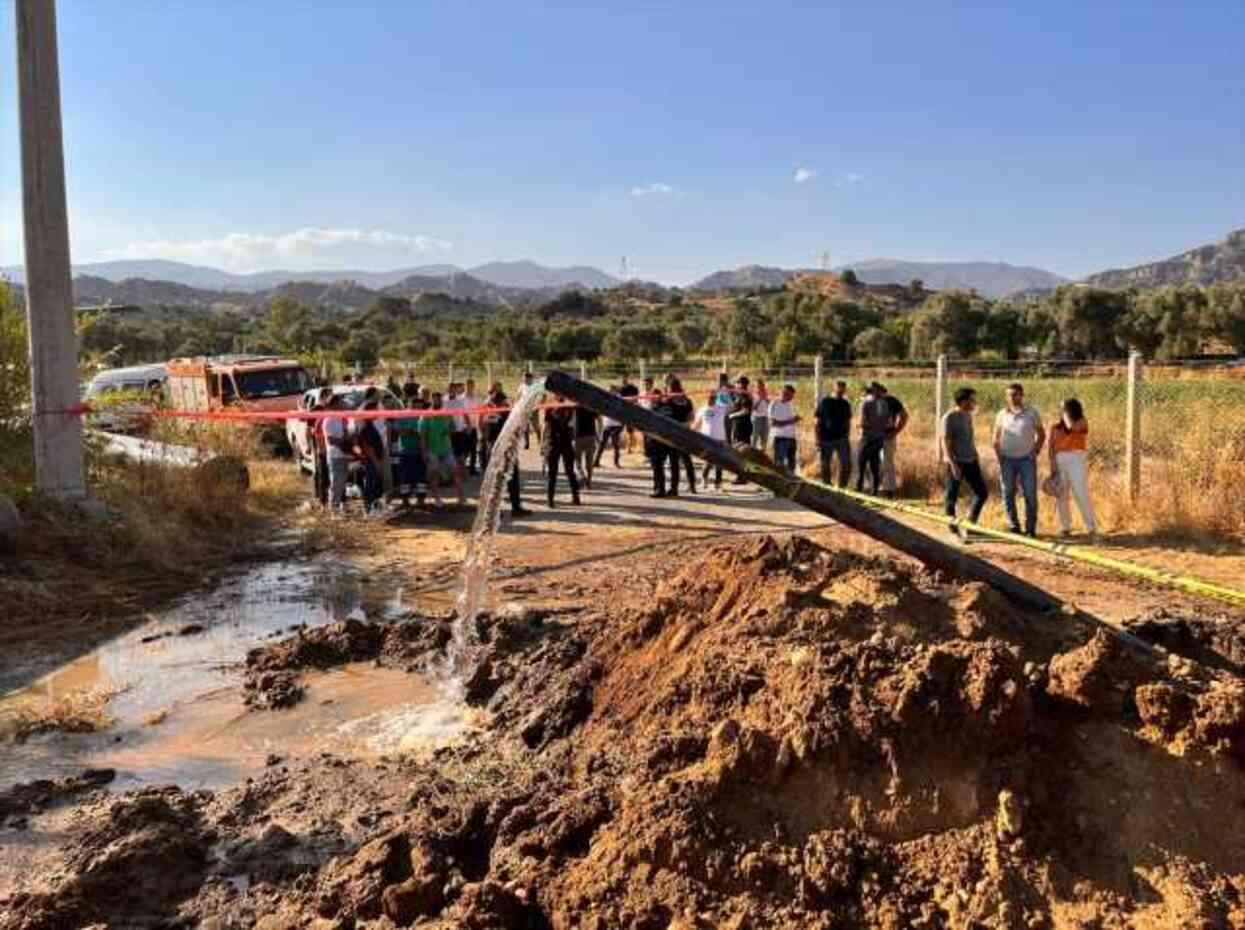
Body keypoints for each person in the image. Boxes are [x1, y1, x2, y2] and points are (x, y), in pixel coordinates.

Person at [993, 382, 1045, 536]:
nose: (1012, 397)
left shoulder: (1032, 413)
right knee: (1008, 492)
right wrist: (999, 457)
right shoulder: (1001, 414)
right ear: (1006, 397)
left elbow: (1041, 435)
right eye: (1009, 395)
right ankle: (1013, 525)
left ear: (1022, 395)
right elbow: (995, 438)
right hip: (1007, 460)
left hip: (1026, 460)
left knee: (1030, 493)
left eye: (1015, 394)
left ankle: (1030, 528)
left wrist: (1035, 451)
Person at [1049, 398, 1097, 541]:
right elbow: (1051, 448)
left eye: (1064, 409)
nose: (1061, 411)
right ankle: (1065, 527)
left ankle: (1091, 527)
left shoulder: (1081, 422)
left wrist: (1066, 414)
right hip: (1059, 460)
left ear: (1072, 410)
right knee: (1062, 494)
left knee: (1080, 493)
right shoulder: (1055, 428)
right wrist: (1052, 465)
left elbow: (1071, 427)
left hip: (1076, 458)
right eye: (1061, 409)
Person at [942, 387, 988, 537]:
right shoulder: (949, 417)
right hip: (956, 462)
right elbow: (946, 442)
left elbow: (969, 438)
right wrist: (953, 464)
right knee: (951, 495)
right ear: (963, 401)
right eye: (972, 400)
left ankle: (970, 524)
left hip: (970, 459)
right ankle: (953, 528)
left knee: (981, 492)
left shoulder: (968, 416)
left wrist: (975, 454)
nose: (974, 403)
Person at [420, 391, 464, 507]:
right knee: (434, 475)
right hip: (433, 450)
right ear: (431, 400)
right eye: (435, 399)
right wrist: (424, 452)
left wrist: (448, 431)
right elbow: (423, 436)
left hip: (447, 449)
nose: (437, 401)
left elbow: (453, 428)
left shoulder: (446, 413)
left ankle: (460, 497)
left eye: (439, 399)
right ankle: (437, 499)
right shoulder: (426, 416)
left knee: (455, 471)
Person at [542, 395, 580, 507]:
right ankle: (576, 497)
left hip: (553, 442)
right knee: (570, 472)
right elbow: (573, 425)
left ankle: (550, 501)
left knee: (552, 474)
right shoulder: (569, 407)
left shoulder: (550, 406)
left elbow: (545, 426)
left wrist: (543, 444)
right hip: (565, 442)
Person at [815, 380, 852, 487]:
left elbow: (848, 421)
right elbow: (817, 421)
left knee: (846, 464)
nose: (841, 390)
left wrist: (847, 434)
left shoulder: (845, 404)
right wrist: (817, 438)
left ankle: (842, 486)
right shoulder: (825, 402)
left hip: (842, 438)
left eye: (843, 388)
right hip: (826, 438)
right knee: (825, 463)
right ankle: (826, 485)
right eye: (839, 387)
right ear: (834, 388)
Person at [354, 400, 387, 516]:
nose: (377, 412)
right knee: (371, 485)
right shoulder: (366, 428)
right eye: (375, 410)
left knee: (376, 485)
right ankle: (368, 510)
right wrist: (376, 462)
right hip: (371, 461)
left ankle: (374, 509)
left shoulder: (371, 426)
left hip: (375, 460)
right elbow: (368, 448)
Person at [664, 376, 697, 494]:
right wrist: (686, 425)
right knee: (687, 460)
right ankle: (692, 485)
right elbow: (692, 417)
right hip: (685, 432)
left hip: (674, 433)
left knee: (674, 462)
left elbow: (665, 417)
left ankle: (674, 488)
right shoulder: (687, 400)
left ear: (670, 388)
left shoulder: (668, 401)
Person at [856, 383, 890, 494]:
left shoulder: (865, 403)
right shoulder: (884, 404)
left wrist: (860, 426)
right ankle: (874, 490)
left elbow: (863, 421)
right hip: (879, 437)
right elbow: (887, 423)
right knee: (875, 465)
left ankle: (859, 490)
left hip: (867, 437)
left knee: (861, 464)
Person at [877, 385, 909, 497]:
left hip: (887, 436)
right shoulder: (871, 401)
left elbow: (904, 416)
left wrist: (895, 431)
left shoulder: (891, 401)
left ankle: (888, 490)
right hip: (874, 436)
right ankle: (879, 488)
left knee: (886, 462)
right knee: (878, 463)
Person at [322, 395, 352, 512]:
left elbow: (346, 434)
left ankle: (338, 507)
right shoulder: (328, 420)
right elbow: (331, 440)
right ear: (334, 404)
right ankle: (333, 509)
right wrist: (345, 444)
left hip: (344, 455)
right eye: (340, 402)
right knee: (336, 483)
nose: (342, 404)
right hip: (335, 456)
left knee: (342, 483)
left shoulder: (341, 418)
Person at [693, 390, 726, 489]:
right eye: (709, 397)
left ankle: (718, 483)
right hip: (706, 439)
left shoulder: (721, 408)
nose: (710, 399)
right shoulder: (702, 409)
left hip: (719, 439)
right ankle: (704, 480)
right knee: (707, 461)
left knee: (719, 462)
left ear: (716, 398)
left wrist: (725, 391)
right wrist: (691, 432)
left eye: (713, 397)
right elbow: (696, 424)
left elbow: (732, 405)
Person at [770, 384, 800, 473]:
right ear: (785, 393)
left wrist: (794, 420)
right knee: (779, 464)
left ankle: (791, 482)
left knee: (791, 464)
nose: (792, 397)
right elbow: (773, 423)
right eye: (790, 395)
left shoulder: (790, 404)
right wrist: (791, 421)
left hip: (791, 437)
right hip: (780, 438)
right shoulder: (775, 403)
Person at [595, 386, 625, 468]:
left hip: (616, 424)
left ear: (615, 390)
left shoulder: (619, 398)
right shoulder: (605, 397)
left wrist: (622, 424)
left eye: (611, 390)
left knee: (615, 444)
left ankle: (616, 462)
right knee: (602, 443)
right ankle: (596, 461)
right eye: (609, 390)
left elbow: (623, 410)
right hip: (607, 424)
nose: (609, 392)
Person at [573, 401, 600, 489]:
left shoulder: (575, 405)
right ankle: (589, 483)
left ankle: (582, 476)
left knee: (577, 461)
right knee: (589, 462)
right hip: (591, 436)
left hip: (578, 436)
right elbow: (599, 419)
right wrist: (599, 435)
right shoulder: (592, 406)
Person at [462, 378, 482, 476]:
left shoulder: (477, 399)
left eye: (471, 385)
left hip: (473, 426)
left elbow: (479, 412)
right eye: (468, 385)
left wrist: (477, 425)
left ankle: (472, 469)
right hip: (464, 427)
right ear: (465, 386)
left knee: (473, 449)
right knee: (464, 449)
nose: (469, 387)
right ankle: (462, 469)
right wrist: (466, 426)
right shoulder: (461, 398)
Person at [519, 371, 541, 450]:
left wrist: (537, 406)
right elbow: (519, 396)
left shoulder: (535, 386)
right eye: (523, 378)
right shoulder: (521, 386)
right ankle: (526, 443)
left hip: (534, 409)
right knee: (525, 427)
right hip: (524, 409)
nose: (524, 380)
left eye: (525, 378)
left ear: (530, 378)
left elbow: (540, 396)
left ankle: (539, 441)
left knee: (536, 426)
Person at [618, 376, 641, 454]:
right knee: (630, 430)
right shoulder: (629, 388)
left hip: (628, 411)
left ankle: (630, 447)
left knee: (630, 430)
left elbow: (636, 399)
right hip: (628, 410)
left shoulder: (625, 389)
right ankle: (630, 447)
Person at [751, 380, 771, 450]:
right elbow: (754, 408)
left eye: (761, 386)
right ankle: (753, 450)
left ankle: (763, 450)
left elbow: (770, 405)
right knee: (755, 435)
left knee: (765, 435)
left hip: (765, 417)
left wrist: (765, 398)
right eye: (758, 387)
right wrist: (760, 399)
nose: (760, 388)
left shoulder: (766, 395)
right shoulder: (754, 395)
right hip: (757, 417)